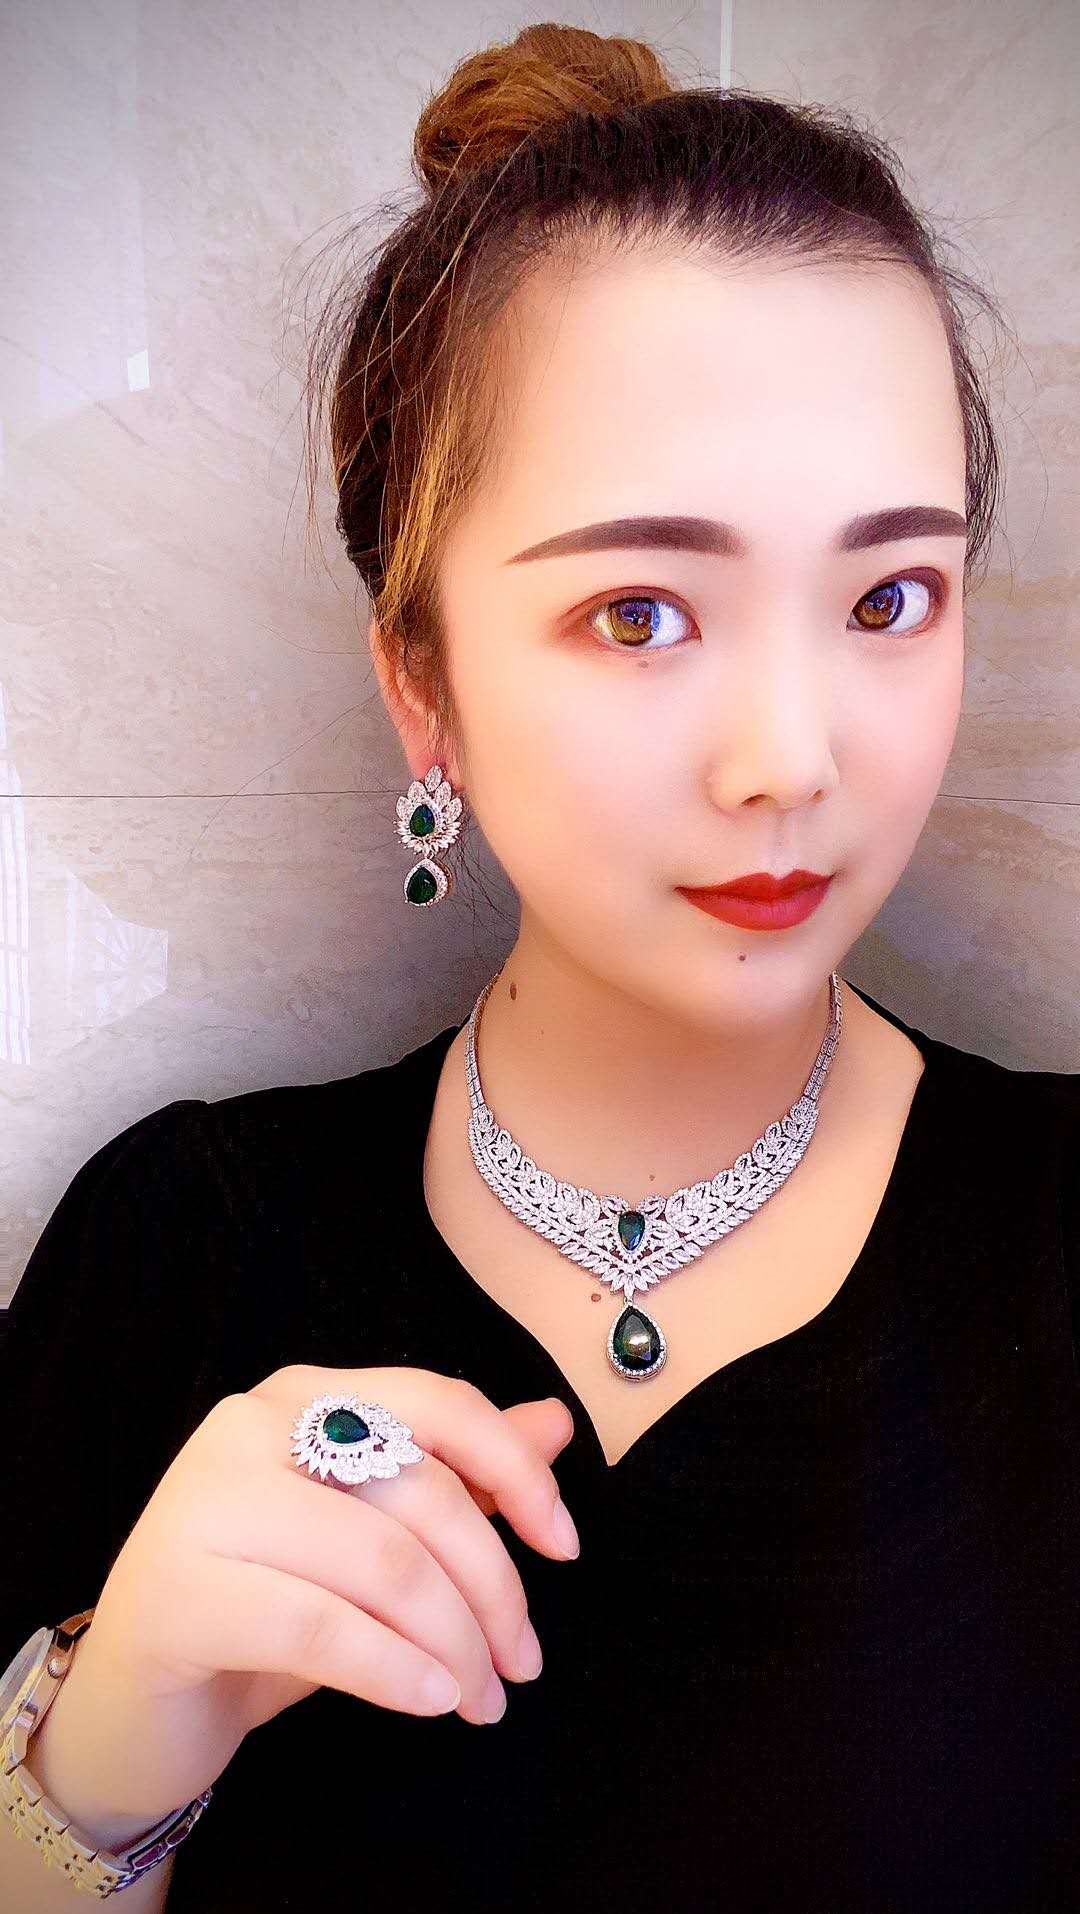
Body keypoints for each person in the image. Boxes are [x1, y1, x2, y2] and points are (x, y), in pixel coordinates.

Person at [1, 20, 1077, 1913]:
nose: (791, 758)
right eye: (640, 611)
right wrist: (92, 1764)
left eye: (888, 596)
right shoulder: (172, 1254)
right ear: (422, 678)